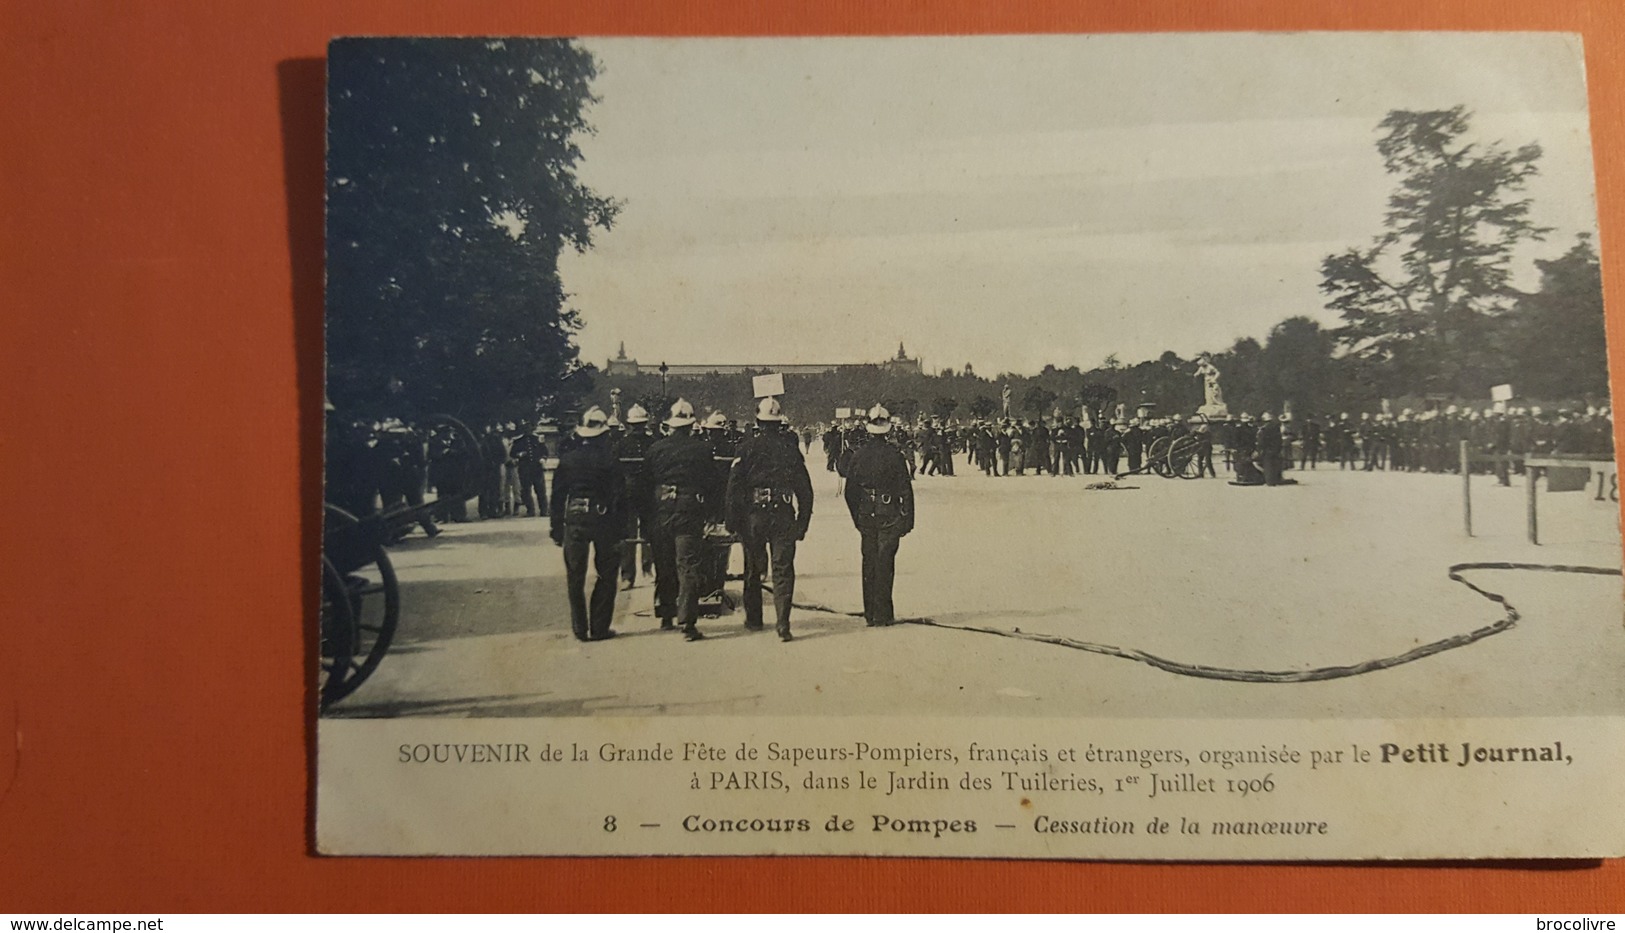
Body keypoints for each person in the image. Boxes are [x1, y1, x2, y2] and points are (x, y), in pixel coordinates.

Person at [727, 397, 813, 641]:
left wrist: (732, 521)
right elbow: (804, 489)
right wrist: (803, 522)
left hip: (754, 515)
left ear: (757, 420)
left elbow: (734, 487)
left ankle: (754, 619)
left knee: (753, 568)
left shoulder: (745, 447)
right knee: (783, 569)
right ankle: (783, 623)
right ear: (779, 422)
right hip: (784, 514)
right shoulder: (790, 449)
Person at [549, 407, 627, 642]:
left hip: (574, 519)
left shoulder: (568, 459)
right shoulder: (610, 460)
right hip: (602, 520)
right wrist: (620, 529)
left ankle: (579, 628)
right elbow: (619, 497)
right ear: (603, 435)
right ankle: (600, 627)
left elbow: (557, 497)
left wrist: (556, 527)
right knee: (606, 574)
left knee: (575, 576)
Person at [645, 399, 717, 641]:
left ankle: (666, 615)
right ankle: (687, 623)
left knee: (664, 565)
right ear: (690, 425)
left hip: (661, 511)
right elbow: (711, 484)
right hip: (689, 512)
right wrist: (711, 513)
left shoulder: (655, 449)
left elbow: (647, 484)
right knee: (688, 567)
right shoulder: (703, 450)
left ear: (671, 425)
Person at [843, 405, 914, 627]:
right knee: (885, 562)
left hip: (866, 515)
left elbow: (850, 492)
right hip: (889, 514)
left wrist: (857, 517)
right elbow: (905, 490)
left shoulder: (858, 455)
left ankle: (869, 614)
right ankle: (883, 613)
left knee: (869, 562)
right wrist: (908, 519)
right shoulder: (895, 455)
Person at [614, 404, 657, 588]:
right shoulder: (621, 445)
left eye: (641, 425)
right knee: (628, 535)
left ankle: (647, 568)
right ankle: (627, 574)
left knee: (649, 533)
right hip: (628, 493)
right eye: (635, 425)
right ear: (630, 425)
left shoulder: (653, 442)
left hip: (648, 492)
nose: (638, 429)